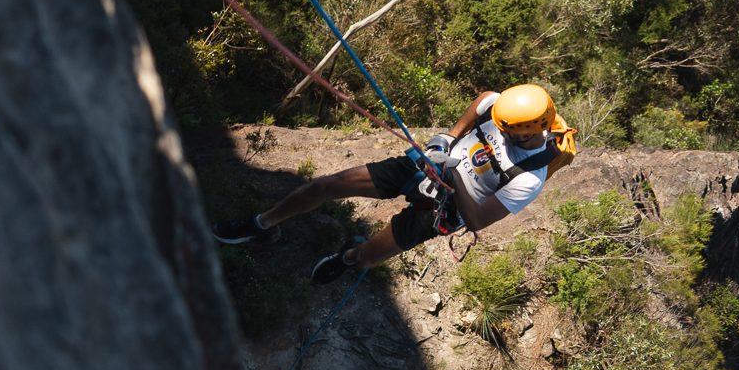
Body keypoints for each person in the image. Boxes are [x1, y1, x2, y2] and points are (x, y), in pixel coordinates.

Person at [212, 85, 561, 283]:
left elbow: (477, 222)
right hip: (422, 166)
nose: (498, 127)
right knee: (324, 187)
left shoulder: (529, 178)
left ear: (528, 130)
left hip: (445, 208)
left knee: (366, 258)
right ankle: (263, 225)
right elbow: (483, 101)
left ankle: (348, 257)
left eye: (506, 129)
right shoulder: (501, 109)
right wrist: (445, 141)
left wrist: (454, 176)